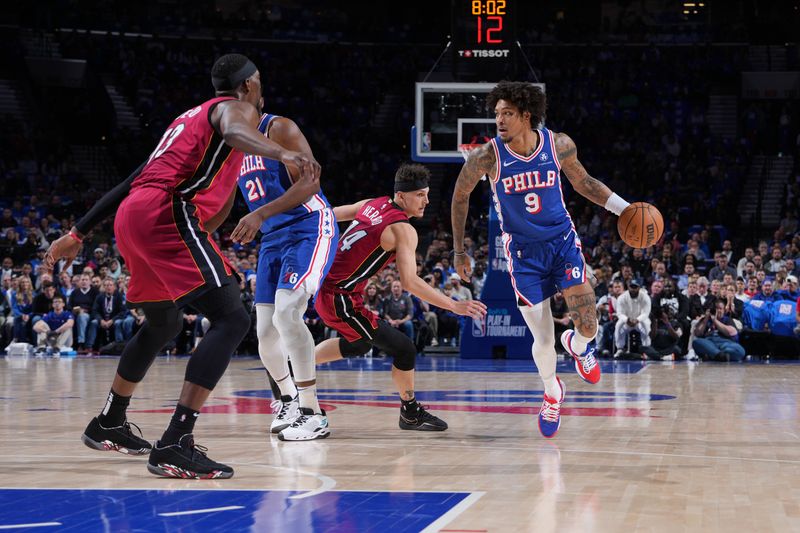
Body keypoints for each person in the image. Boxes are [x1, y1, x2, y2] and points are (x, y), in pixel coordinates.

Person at [44, 53, 320, 479]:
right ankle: (175, 442)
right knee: (232, 318)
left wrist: (77, 233)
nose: (261, 90)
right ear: (248, 85)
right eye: (259, 82)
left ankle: (110, 420)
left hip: (133, 217)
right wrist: (284, 153)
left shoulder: (184, 122)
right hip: (165, 213)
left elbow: (131, 180)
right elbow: (234, 127)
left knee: (163, 323)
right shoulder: (235, 110)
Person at [450, 81, 631, 438]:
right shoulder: (487, 156)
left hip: (562, 243)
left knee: (589, 324)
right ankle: (552, 393)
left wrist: (624, 209)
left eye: (508, 114)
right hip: (523, 256)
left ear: (526, 115)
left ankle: (578, 347)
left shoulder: (558, 144)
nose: (499, 120)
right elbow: (459, 197)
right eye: (497, 113)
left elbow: (585, 182)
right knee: (543, 340)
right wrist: (459, 250)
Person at [314, 164, 486, 431]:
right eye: (420, 195)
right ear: (402, 196)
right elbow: (409, 281)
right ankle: (410, 413)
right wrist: (453, 305)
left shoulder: (373, 203)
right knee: (404, 348)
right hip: (340, 299)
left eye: (427, 194)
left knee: (359, 343)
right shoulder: (403, 229)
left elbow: (327, 215)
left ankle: (294, 368)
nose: (427, 201)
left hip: (334, 294)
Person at [230, 108, 336, 441]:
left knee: (288, 313)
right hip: (273, 238)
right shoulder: (232, 145)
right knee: (264, 330)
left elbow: (310, 182)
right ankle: (289, 400)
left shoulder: (279, 128)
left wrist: (260, 214)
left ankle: (312, 412)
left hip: (308, 227)